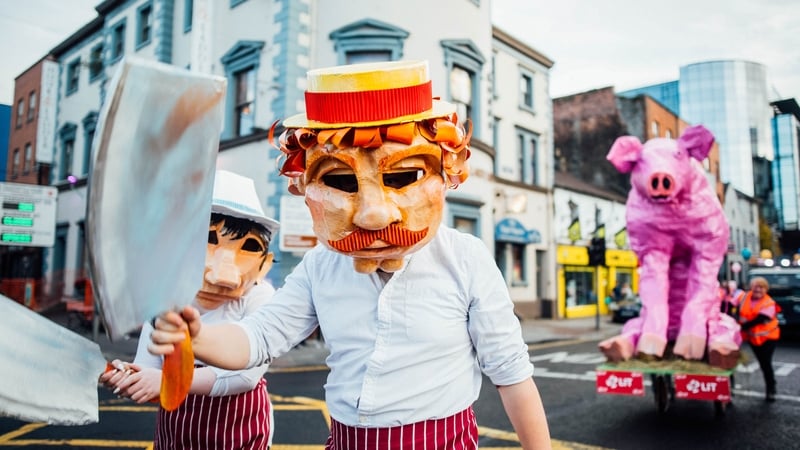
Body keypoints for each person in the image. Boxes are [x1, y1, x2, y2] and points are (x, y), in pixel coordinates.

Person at [149, 60, 551, 449]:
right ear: (304, 187)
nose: (374, 216)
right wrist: (195, 338)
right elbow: (260, 336)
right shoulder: (320, 266)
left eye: (403, 175)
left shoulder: (465, 259)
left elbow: (511, 373)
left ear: (446, 176)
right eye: (339, 180)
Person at [101, 170, 280, 448]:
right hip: (178, 433)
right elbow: (149, 368)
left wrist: (168, 380)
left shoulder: (259, 298)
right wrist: (126, 376)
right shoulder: (165, 298)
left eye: (248, 247)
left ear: (264, 264)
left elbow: (245, 375)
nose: (222, 276)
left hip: (241, 432)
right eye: (208, 239)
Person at [738, 276, 781, 402]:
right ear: (751, 287)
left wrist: (739, 326)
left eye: (761, 287)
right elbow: (732, 304)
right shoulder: (744, 297)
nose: (758, 289)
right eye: (756, 286)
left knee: (765, 363)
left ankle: (771, 388)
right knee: (762, 362)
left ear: (766, 289)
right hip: (753, 338)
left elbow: (759, 320)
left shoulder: (769, 303)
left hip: (768, 337)